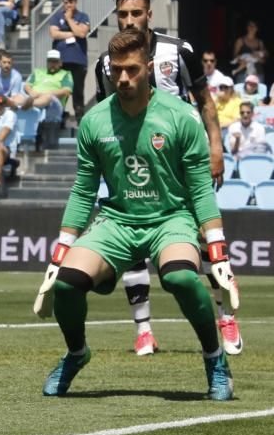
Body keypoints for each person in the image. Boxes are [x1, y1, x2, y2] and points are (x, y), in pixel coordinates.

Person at [34, 28, 236, 401]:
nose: (122, 78)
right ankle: (77, 353)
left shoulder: (181, 117)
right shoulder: (95, 121)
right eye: (116, 70)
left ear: (148, 68)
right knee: (65, 284)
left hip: (171, 219)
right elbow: (83, 189)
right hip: (118, 221)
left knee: (181, 280)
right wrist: (61, 248)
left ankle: (214, 358)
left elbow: (199, 188)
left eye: (131, 70)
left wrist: (218, 249)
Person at [93, 0, 231, 355]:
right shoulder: (107, 62)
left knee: (201, 240)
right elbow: (104, 113)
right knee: (134, 242)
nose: (130, 20)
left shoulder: (178, 50)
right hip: (134, 162)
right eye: (123, 14)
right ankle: (143, 329)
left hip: (179, 158)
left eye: (136, 13)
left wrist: (216, 149)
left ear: (149, 14)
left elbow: (205, 101)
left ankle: (225, 314)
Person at [50, 0, 90, 120]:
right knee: (60, 91)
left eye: (71, 2)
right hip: (60, 61)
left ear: (76, 2)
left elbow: (83, 33)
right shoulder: (57, 17)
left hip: (78, 61)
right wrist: (73, 33)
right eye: (66, 2)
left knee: (78, 91)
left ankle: (79, 118)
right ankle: (58, 116)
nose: (68, 5)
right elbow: (54, 34)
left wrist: (69, 19)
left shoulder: (83, 16)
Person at [25, 49, 72, 123]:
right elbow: (27, 85)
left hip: (53, 103)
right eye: (50, 61)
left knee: (48, 97)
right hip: (33, 96)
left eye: (55, 61)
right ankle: (26, 103)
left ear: (60, 63)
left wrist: (42, 94)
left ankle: (28, 104)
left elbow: (66, 91)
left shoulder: (65, 74)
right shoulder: (37, 72)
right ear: (47, 62)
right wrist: (31, 92)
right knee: (16, 96)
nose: (52, 64)